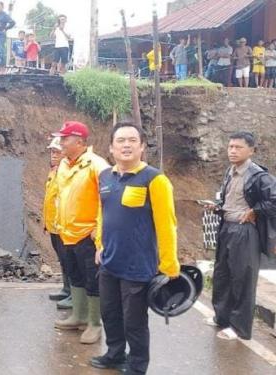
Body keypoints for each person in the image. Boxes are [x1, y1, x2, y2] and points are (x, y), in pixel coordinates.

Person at [91, 122, 180, 375]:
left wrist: (169, 266)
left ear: (142, 147)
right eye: (121, 140)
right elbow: (102, 213)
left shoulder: (155, 179)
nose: (126, 145)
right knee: (109, 313)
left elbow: (167, 224)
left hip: (138, 265)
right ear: (111, 148)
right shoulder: (105, 176)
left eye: (132, 140)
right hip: (109, 261)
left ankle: (138, 365)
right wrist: (99, 244)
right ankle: (115, 354)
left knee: (135, 321)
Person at [205, 131, 276, 340]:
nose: (233, 151)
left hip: (245, 232)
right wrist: (217, 207)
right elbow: (230, 200)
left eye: (238, 147)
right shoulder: (230, 171)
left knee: (242, 279)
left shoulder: (259, 176)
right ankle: (222, 317)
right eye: (230, 147)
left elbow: (273, 201)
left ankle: (239, 328)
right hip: (227, 227)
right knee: (222, 275)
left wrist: (256, 211)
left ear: (251, 150)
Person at [52, 121, 109, 346]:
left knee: (92, 279)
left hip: (88, 234)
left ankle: (94, 323)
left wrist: (99, 228)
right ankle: (78, 315)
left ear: (80, 142)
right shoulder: (64, 164)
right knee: (74, 275)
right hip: (67, 232)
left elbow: (107, 200)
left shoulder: (97, 165)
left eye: (65, 139)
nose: (61, 143)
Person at [43, 137, 71, 307]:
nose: (54, 155)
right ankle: (66, 289)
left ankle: (75, 294)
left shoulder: (67, 172)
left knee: (70, 260)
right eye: (52, 152)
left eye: (57, 152)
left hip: (64, 225)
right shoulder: (53, 171)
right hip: (53, 224)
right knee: (62, 258)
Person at [0, 1, 15, 74]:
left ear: (2, 7)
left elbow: (12, 22)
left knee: (1, 52)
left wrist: (6, 28)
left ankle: (3, 69)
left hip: (1, 35)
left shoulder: (5, 15)